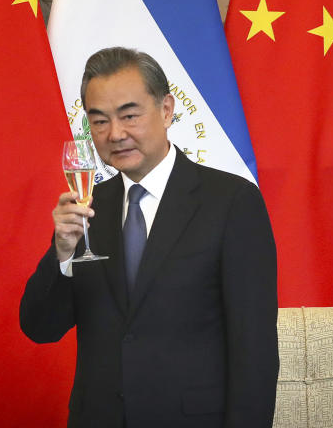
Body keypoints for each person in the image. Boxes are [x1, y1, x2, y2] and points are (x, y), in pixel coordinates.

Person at [20, 47, 278, 427]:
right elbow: (40, 328)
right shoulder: (90, 208)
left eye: (129, 115)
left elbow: (253, 349)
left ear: (167, 109)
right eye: (100, 121)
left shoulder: (231, 202)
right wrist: (63, 254)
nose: (116, 134)